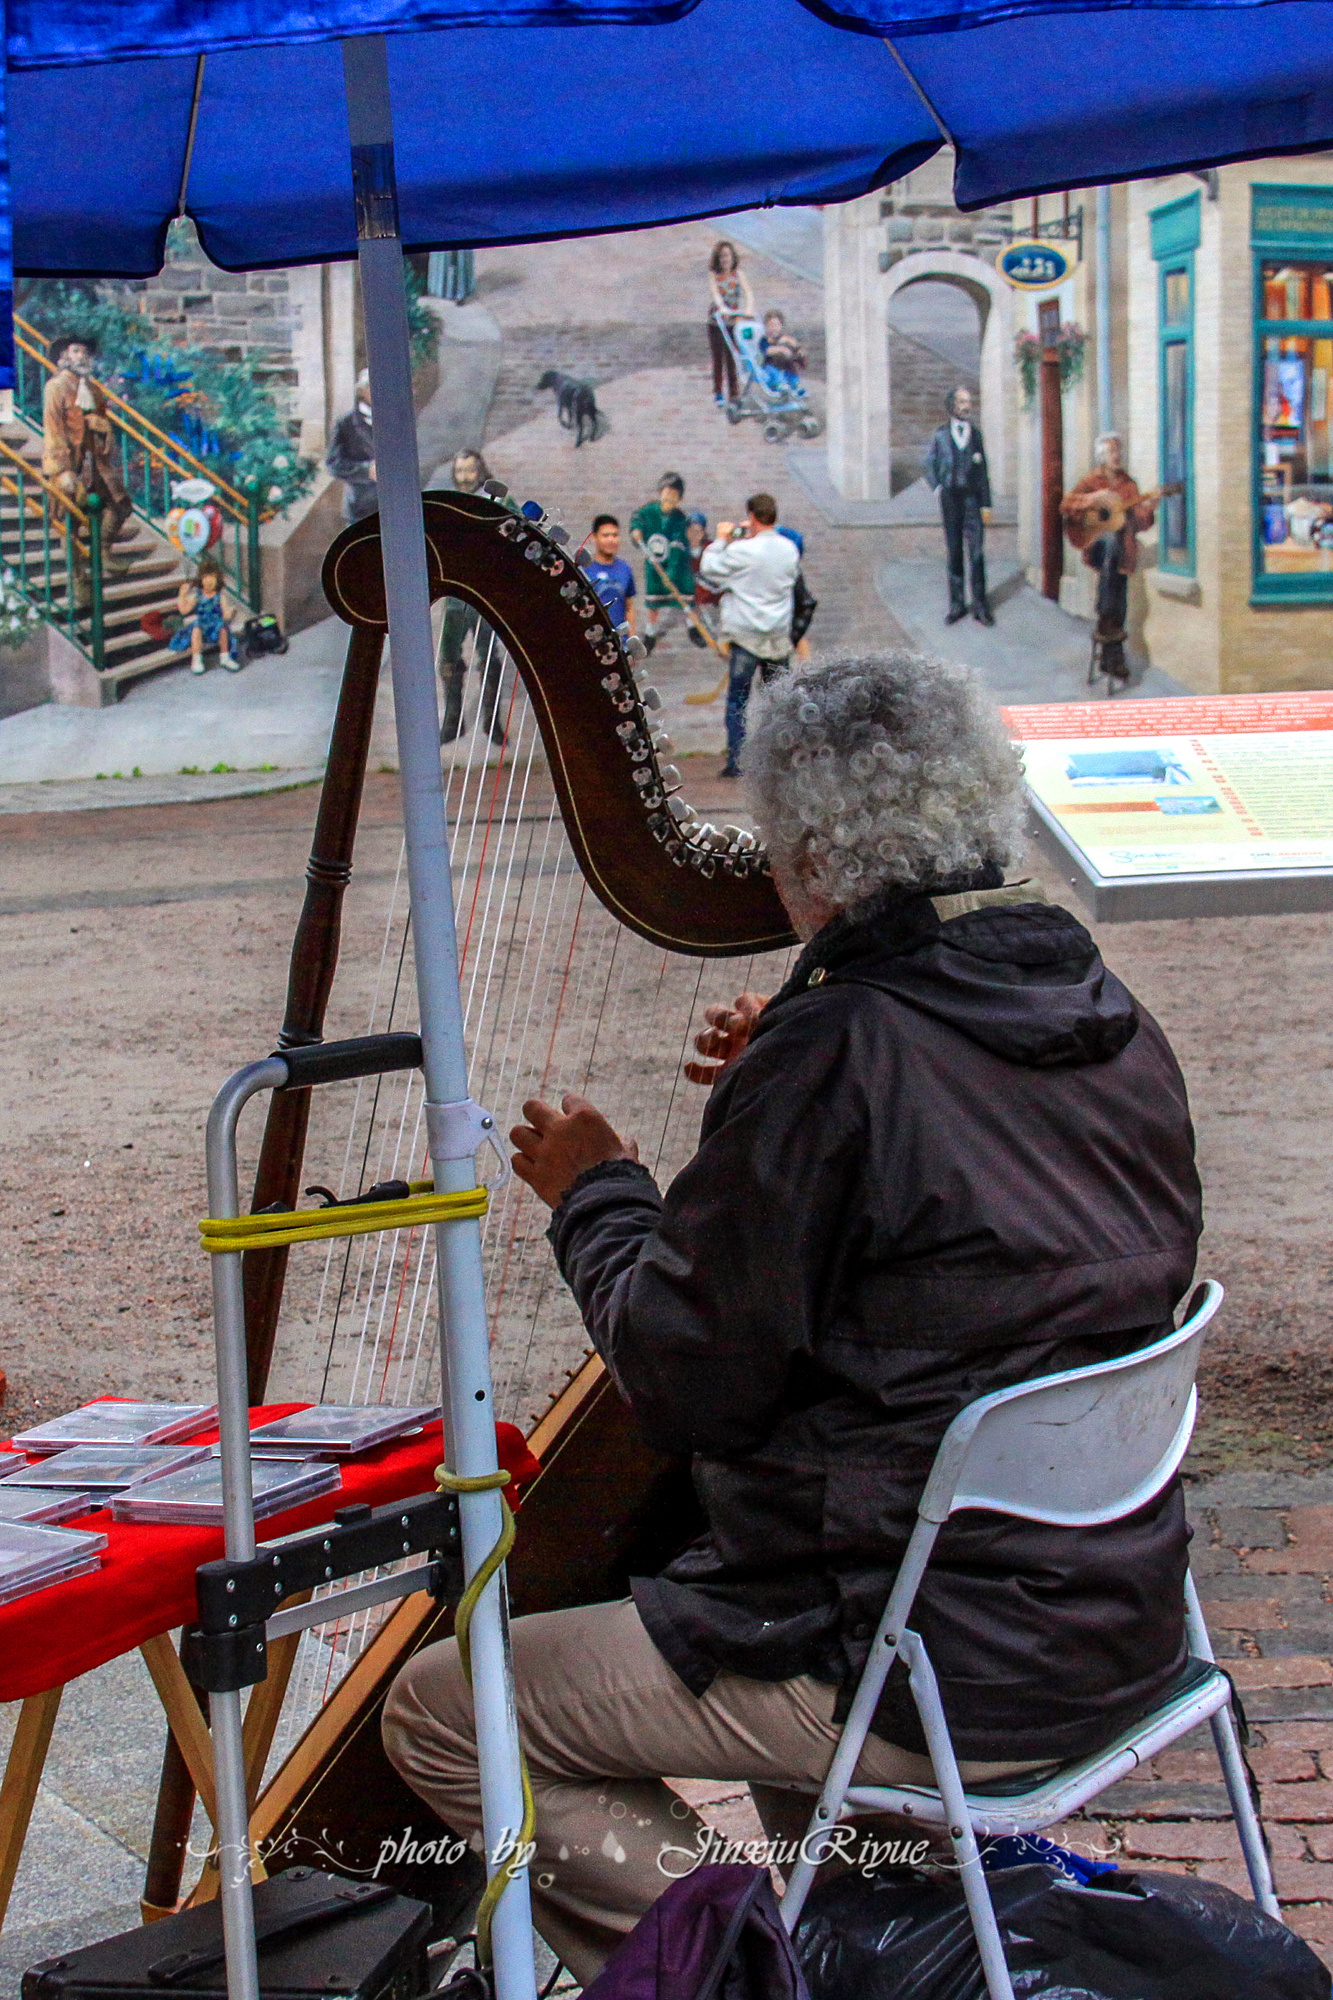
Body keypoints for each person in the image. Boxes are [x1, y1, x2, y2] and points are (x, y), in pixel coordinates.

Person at [382, 651, 1203, 1988]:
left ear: (810, 849)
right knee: (731, 1616)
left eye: (771, 841)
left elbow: (683, 1380)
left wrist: (595, 1192)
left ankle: (744, 1965)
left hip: (930, 1660)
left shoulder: (844, 1054)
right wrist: (810, 1055)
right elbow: (975, 1217)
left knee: (444, 1714)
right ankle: (875, 1937)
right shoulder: (1102, 1015)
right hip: (1117, 1620)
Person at [698, 492, 799, 777]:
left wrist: (722, 539)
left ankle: (738, 762)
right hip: (777, 637)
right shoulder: (789, 549)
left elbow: (709, 568)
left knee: (738, 701)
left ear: (752, 517)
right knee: (779, 702)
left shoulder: (742, 551)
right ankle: (779, 761)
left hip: (745, 637)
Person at [1061, 433, 1157, 684]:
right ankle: (1112, 652)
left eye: (1118, 451)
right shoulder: (1092, 480)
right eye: (1111, 452)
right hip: (1097, 547)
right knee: (1112, 540)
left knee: (1120, 602)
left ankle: (1110, 654)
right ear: (1102, 456)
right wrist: (1093, 498)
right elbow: (1066, 505)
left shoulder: (1129, 485)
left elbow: (1138, 523)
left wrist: (1150, 509)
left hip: (1121, 555)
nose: (1116, 456)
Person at [42, 334, 133, 584]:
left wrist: (101, 426)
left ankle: (102, 551)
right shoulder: (56, 387)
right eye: (74, 351)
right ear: (64, 357)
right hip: (69, 462)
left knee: (120, 504)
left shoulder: (93, 389)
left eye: (84, 351)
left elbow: (104, 427)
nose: (81, 356)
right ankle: (77, 576)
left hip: (95, 461)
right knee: (70, 517)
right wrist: (61, 470)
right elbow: (53, 429)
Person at [440, 448, 507, 744]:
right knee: (449, 659)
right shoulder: (449, 503)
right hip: (456, 596)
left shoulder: (498, 502)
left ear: (481, 471)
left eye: (469, 471)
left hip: (485, 595)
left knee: (489, 658)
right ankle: (453, 722)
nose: (464, 477)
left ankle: (492, 722)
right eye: (459, 471)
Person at [924, 387, 994, 626]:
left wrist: (986, 504)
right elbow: (929, 464)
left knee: (976, 554)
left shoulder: (976, 435)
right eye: (963, 402)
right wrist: (938, 487)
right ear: (952, 405)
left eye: (969, 401)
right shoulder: (941, 435)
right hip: (951, 501)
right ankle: (956, 605)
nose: (967, 406)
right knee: (954, 552)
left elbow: (984, 471)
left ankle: (980, 606)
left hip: (973, 500)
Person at [629, 472, 695, 655]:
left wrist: (672, 573)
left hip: (674, 561)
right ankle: (650, 631)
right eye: (667, 492)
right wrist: (636, 530)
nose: (669, 497)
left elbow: (679, 544)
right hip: (654, 560)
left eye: (674, 494)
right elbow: (637, 519)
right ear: (661, 492)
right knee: (654, 595)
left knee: (684, 588)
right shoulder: (649, 511)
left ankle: (692, 624)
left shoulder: (680, 519)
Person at [168, 557, 242, 674]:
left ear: (218, 579)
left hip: (215, 626)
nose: (209, 581)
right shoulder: (197, 596)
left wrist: (230, 612)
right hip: (202, 625)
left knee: (223, 628)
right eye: (205, 577)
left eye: (213, 577)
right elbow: (184, 611)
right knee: (196, 628)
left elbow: (226, 615)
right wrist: (182, 595)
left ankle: (225, 657)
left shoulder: (220, 597)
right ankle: (196, 659)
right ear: (200, 579)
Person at [326, 370, 376, 524]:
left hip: (393, 508)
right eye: (372, 387)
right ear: (361, 391)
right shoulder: (345, 424)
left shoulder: (395, 421)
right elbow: (334, 464)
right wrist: (366, 470)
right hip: (360, 508)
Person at [707, 241, 753, 407]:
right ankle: (718, 392)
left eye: (728, 255)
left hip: (734, 320)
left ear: (733, 257)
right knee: (718, 357)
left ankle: (734, 393)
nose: (725, 259)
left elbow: (748, 293)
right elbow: (715, 293)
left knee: (733, 356)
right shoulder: (714, 275)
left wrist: (748, 310)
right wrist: (722, 308)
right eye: (722, 256)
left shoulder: (738, 274)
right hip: (717, 321)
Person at [579, 514, 637, 634]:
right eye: (605, 535)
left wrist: (632, 638)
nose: (611, 540)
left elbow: (629, 607)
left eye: (614, 535)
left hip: (620, 643)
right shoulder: (584, 570)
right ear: (594, 538)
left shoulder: (625, 569)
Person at [759, 310, 805, 391]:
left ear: (781, 326)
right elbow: (767, 350)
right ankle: (779, 384)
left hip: (784, 364)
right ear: (766, 326)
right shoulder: (765, 339)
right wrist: (781, 349)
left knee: (791, 367)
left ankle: (795, 384)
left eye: (777, 325)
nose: (774, 328)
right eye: (771, 325)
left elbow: (795, 346)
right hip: (770, 365)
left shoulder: (785, 338)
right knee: (774, 370)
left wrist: (797, 348)